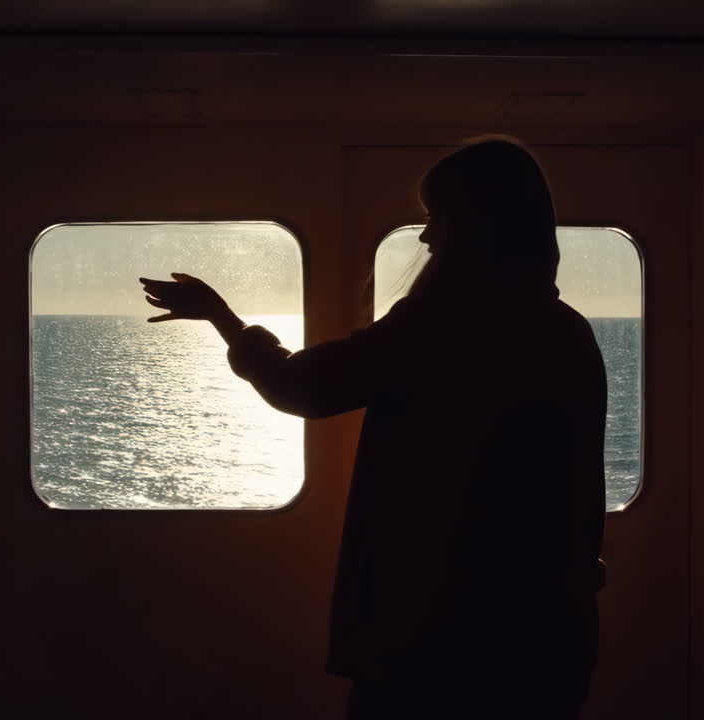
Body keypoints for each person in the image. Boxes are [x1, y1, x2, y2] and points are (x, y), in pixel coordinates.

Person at [139, 137, 607, 719]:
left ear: (477, 225)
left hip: (440, 644)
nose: (427, 237)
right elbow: (581, 494)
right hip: (546, 638)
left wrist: (224, 319)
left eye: (439, 218)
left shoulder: (443, 330)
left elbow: (300, 386)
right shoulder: (569, 334)